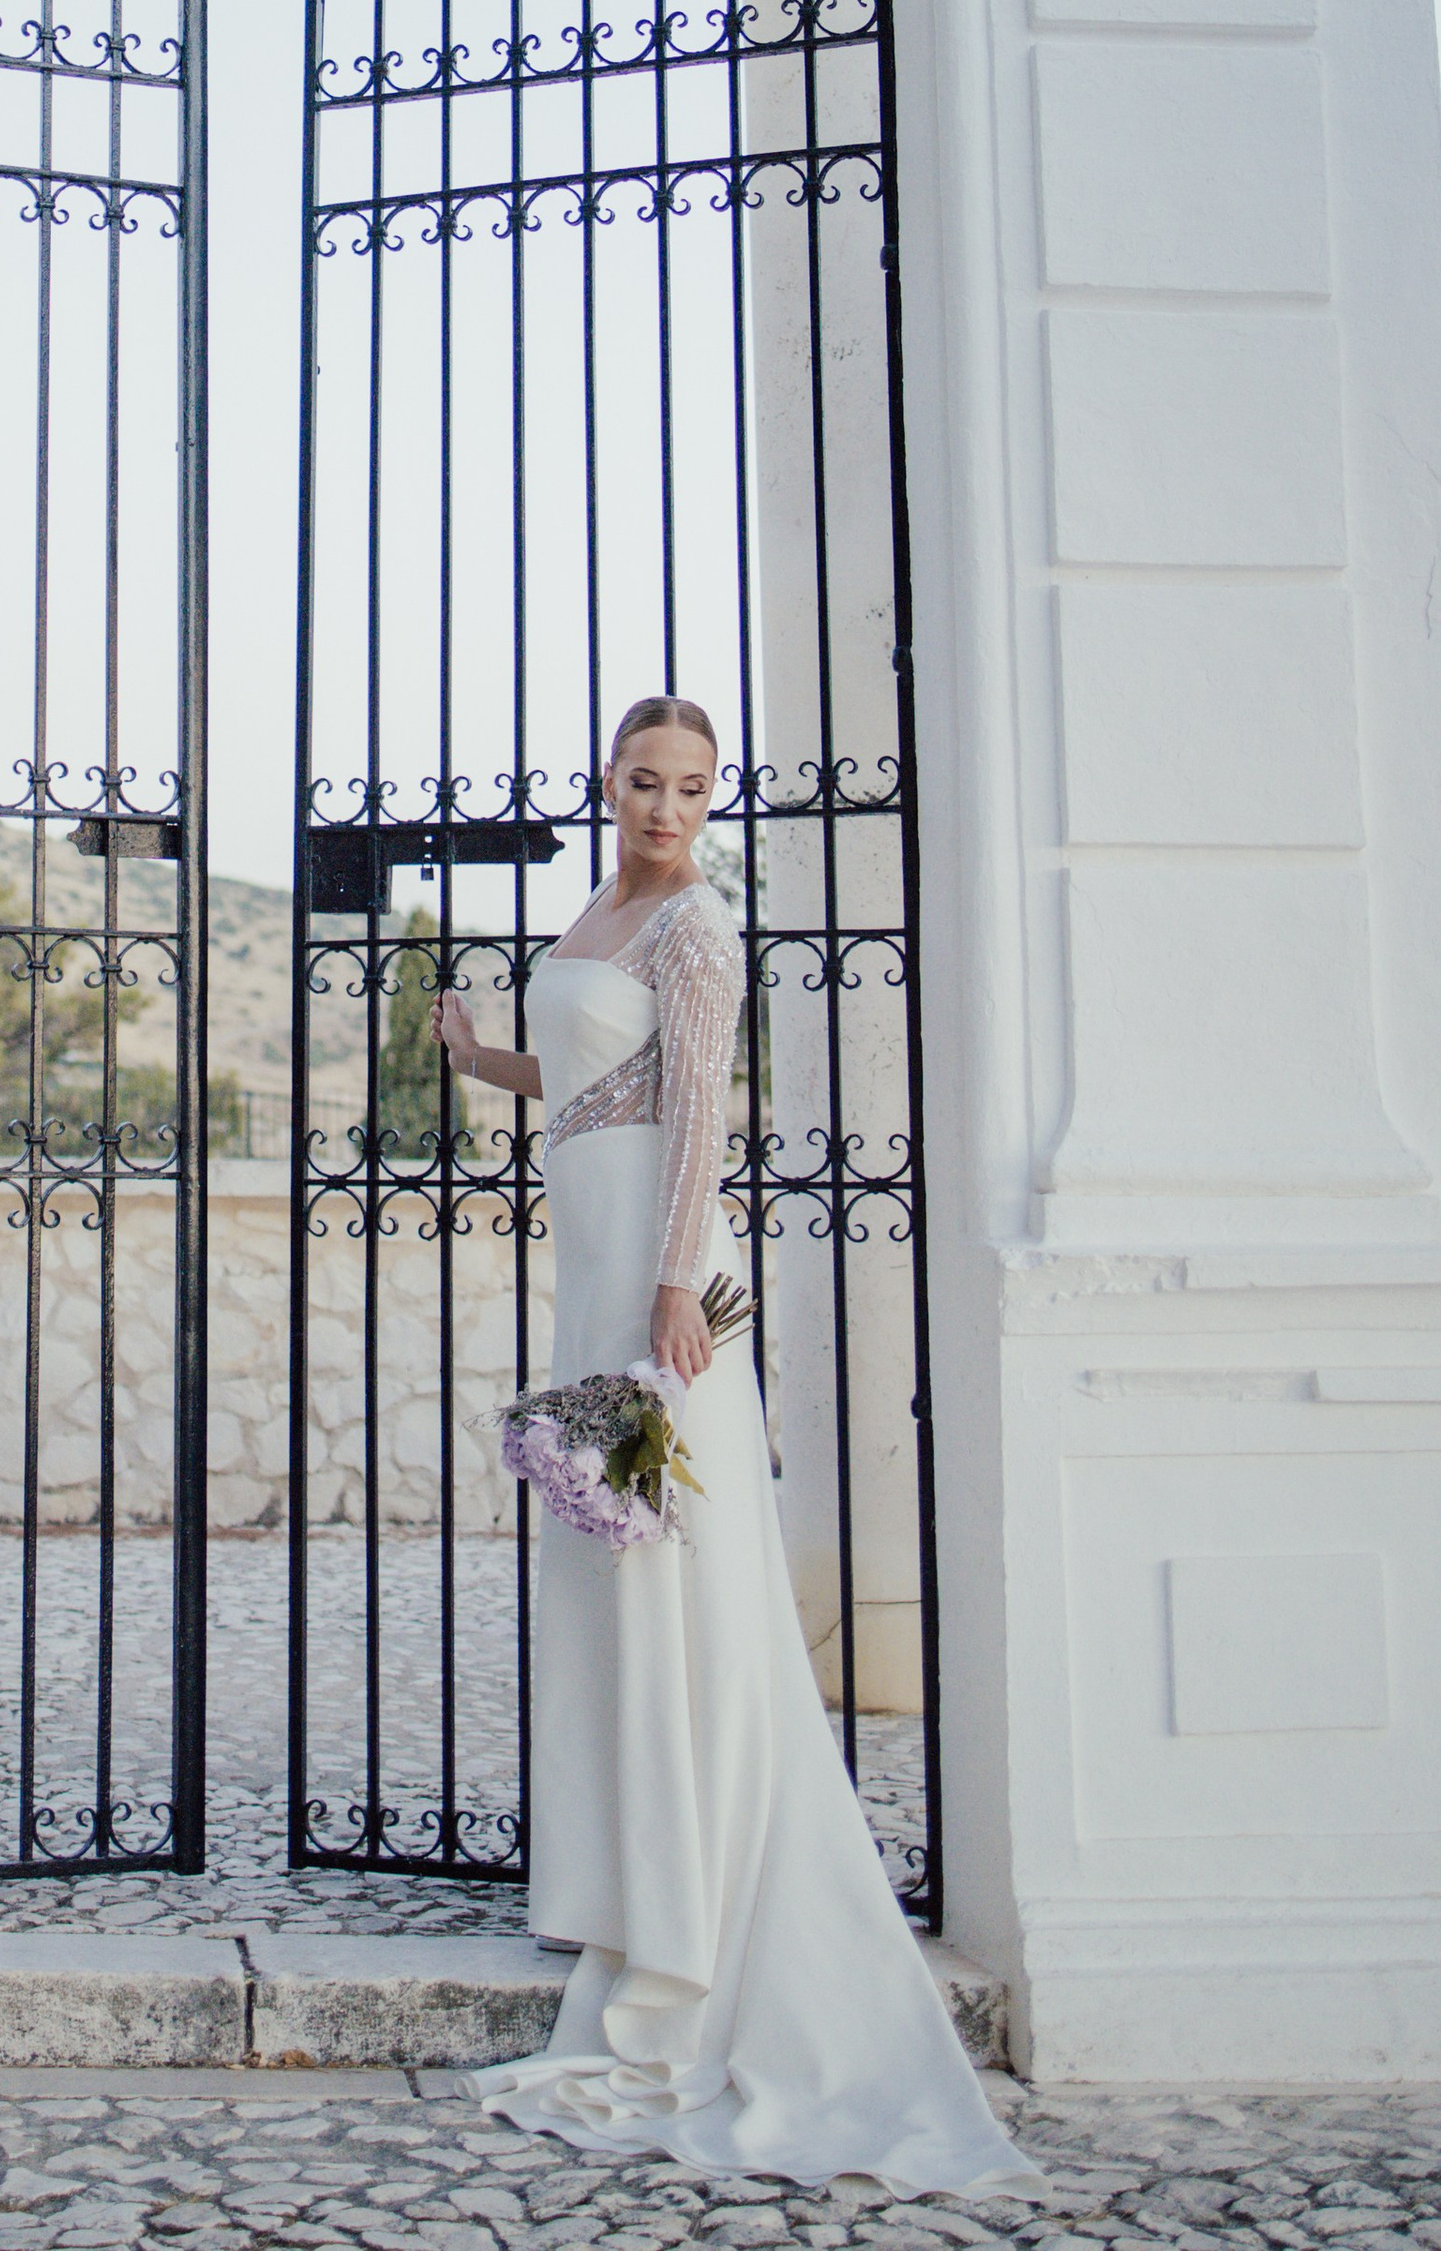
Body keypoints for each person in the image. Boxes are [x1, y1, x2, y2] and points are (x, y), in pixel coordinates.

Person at [435, 693, 1037, 2195]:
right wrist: (480, 1058)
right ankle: (630, 1880)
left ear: (711, 800)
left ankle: (697, 1907)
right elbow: (594, 1083)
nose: (665, 808)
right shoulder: (601, 907)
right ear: (610, 782)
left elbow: (700, 1106)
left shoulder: (699, 926)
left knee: (675, 1568)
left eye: (693, 789)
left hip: (661, 1279)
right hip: (596, 1258)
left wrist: (672, 1290)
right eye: (645, 781)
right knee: (608, 1566)